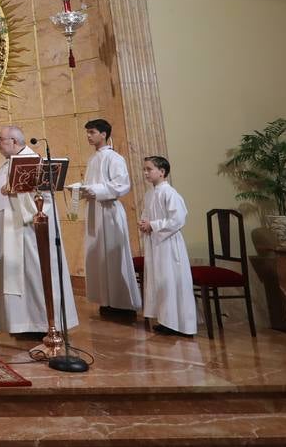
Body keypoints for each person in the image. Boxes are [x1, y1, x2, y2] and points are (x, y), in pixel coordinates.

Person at [0, 126, 77, 336]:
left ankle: (40, 323)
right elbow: (3, 190)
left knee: (33, 273)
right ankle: (22, 323)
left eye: (1, 139)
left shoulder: (31, 161)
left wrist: (13, 191)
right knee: (18, 273)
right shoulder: (8, 163)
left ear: (14, 141)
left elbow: (41, 197)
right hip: (11, 228)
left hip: (29, 232)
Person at [77, 119, 142, 315]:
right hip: (95, 211)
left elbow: (122, 185)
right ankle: (106, 300)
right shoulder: (93, 159)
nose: (89, 136)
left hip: (109, 212)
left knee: (114, 258)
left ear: (104, 134)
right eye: (87, 132)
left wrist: (94, 190)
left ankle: (123, 304)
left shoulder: (114, 158)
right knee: (99, 257)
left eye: (92, 132)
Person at [137, 156, 197, 337]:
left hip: (169, 244)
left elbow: (178, 219)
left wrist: (153, 225)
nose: (146, 172)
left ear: (162, 172)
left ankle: (180, 324)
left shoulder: (169, 193)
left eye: (149, 169)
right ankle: (165, 320)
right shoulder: (149, 194)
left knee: (171, 281)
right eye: (145, 169)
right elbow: (146, 214)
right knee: (161, 282)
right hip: (156, 244)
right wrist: (144, 224)